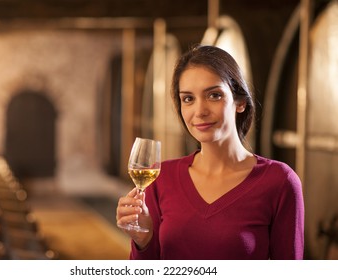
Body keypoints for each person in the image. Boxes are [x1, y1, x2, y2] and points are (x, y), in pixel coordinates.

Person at [116, 45, 304, 260]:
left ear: (240, 102)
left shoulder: (280, 181)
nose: (199, 111)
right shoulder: (160, 178)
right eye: (188, 99)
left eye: (214, 95)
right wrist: (143, 241)